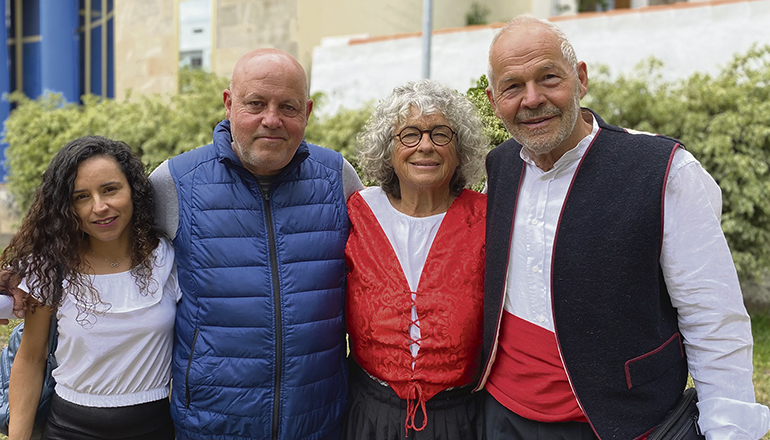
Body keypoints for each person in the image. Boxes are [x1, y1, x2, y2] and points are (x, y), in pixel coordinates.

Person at [479, 16, 770, 440]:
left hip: (621, 425)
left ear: (581, 79)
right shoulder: (498, 167)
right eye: (512, 87)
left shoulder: (664, 172)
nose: (532, 99)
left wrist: (729, 430)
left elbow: (713, 319)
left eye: (548, 78)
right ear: (493, 99)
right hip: (502, 417)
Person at [148, 48, 363, 439]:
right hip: (211, 427)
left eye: (288, 107)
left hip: (318, 423)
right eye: (256, 104)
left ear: (308, 112)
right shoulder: (174, 183)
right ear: (229, 104)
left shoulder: (339, 179)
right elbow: (101, 257)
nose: (272, 120)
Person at [0, 136, 178, 440]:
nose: (100, 207)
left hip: (155, 429)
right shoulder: (52, 267)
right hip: (69, 429)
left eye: (110, 189)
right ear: (65, 207)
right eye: (81, 197)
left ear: (133, 191)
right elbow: (31, 358)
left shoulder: (167, 257)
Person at [343, 79, 487, 440]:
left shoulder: (488, 218)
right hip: (369, 414)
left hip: (461, 418)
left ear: (459, 148)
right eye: (409, 134)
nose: (425, 145)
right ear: (388, 149)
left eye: (440, 134)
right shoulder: (358, 212)